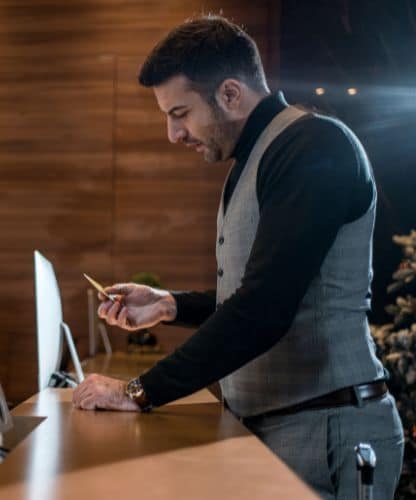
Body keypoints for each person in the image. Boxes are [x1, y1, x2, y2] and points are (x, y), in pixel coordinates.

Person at [71, 15, 404, 499]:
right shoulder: (254, 160)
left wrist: (137, 391)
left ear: (230, 93)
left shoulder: (314, 146)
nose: (173, 133)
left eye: (180, 113)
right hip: (286, 428)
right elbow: (261, 293)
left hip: (331, 429)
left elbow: (266, 308)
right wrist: (170, 305)